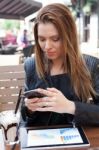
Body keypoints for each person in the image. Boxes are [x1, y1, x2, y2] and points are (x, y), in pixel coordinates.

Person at [21, 3, 99, 127]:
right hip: (39, 140)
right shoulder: (31, 65)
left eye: (55, 39)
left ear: (69, 37)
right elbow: (24, 115)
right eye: (41, 39)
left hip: (77, 140)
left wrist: (70, 107)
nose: (47, 47)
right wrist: (29, 108)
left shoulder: (89, 65)